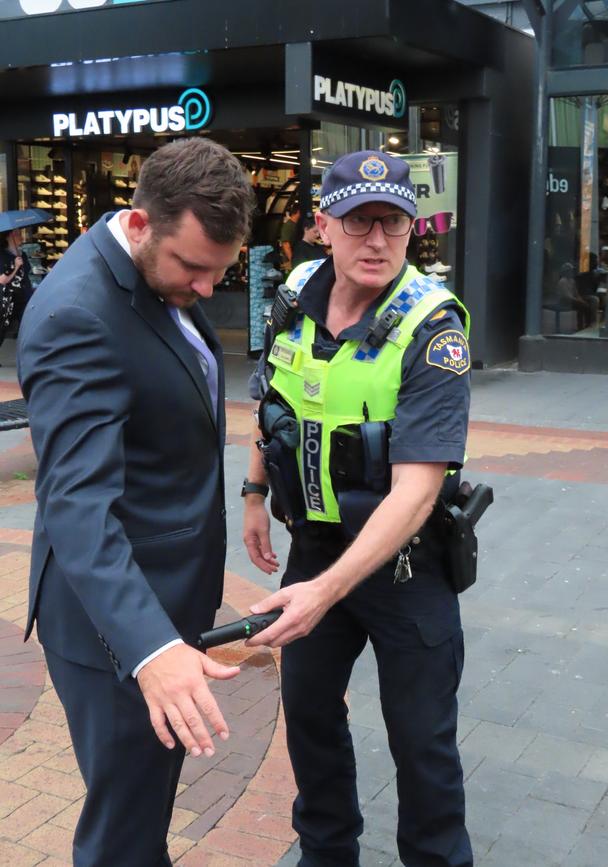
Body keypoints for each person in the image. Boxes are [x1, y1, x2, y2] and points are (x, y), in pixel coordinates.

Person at [17, 138, 256, 867]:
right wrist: (150, 649)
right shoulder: (77, 316)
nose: (209, 289)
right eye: (194, 267)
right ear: (140, 221)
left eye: (223, 271)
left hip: (164, 603)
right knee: (123, 834)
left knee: (144, 815)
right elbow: (76, 504)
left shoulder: (159, 279)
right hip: (116, 631)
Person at [243, 150, 473, 866]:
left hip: (406, 567)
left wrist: (325, 589)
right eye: (358, 221)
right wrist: (254, 492)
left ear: (412, 230)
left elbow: (416, 490)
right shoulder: (296, 293)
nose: (376, 240)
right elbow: (274, 401)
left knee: (421, 744)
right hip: (314, 550)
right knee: (309, 716)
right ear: (322, 227)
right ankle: (327, 854)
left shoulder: (433, 330)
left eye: (393, 224)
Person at [0, 228, 32, 345]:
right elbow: (2, 280)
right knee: (2, 328)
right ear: (9, 237)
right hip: (9, 298)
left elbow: (27, 274)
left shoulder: (22, 254)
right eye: (16, 234)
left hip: (24, 296)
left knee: (28, 326)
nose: (20, 237)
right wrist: (15, 266)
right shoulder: (2, 255)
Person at [280, 204, 301, 268]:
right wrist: (292, 260)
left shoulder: (297, 225)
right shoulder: (288, 226)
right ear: (298, 212)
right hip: (289, 259)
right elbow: (286, 244)